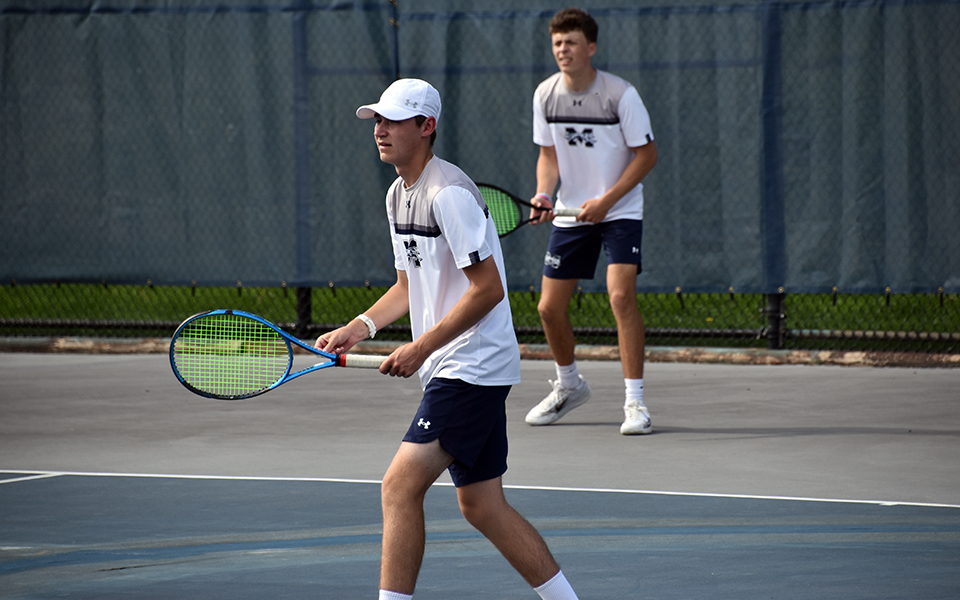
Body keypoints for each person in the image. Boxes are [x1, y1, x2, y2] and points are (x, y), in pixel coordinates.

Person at [316, 78, 579, 600]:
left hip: (472, 366)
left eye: (393, 121)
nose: (381, 130)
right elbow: (407, 285)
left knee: (398, 486)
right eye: (378, 121)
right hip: (454, 364)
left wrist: (420, 347)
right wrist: (358, 328)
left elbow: (488, 291)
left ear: (426, 126)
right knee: (482, 505)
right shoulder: (397, 194)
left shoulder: (450, 194)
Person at [525, 7, 658, 435]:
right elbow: (548, 156)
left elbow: (647, 156)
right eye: (557, 43)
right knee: (548, 308)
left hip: (619, 208)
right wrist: (545, 193)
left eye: (571, 43)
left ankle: (635, 403)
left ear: (591, 48)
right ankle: (570, 386)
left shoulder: (621, 95)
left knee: (620, 297)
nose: (563, 50)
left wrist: (606, 200)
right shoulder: (545, 94)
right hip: (571, 211)